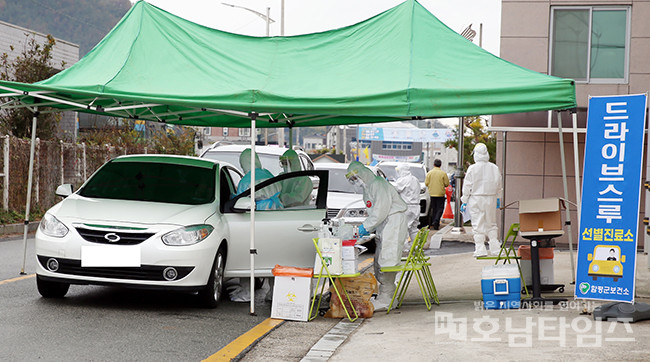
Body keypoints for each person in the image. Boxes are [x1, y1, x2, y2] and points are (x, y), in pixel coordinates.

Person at [346, 161, 408, 311]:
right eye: (352, 179)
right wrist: (367, 227)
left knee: (387, 260)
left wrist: (364, 228)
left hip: (392, 223)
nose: (355, 181)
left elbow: (380, 211)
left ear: (363, 173)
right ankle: (387, 296)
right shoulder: (369, 187)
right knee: (380, 260)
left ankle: (387, 299)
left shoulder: (377, 184)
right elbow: (375, 212)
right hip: (386, 224)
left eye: (356, 177)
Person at [461, 143, 503, 257]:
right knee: (491, 223)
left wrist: (464, 200)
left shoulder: (472, 168)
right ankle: (495, 248)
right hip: (491, 198)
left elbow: (467, 186)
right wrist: (498, 198)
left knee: (478, 224)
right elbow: (499, 184)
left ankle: (480, 249)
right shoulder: (494, 167)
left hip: (476, 198)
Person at [393, 163, 420, 242]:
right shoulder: (415, 179)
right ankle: (416, 247)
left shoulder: (404, 180)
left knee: (403, 229)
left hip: (407, 207)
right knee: (413, 229)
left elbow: (396, 189)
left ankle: (404, 249)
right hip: (416, 207)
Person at [425, 159, 449, 230]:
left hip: (432, 193)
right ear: (440, 165)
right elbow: (447, 184)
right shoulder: (443, 173)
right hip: (440, 194)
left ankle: (433, 222)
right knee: (440, 208)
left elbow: (426, 183)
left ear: (434, 164)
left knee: (434, 208)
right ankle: (436, 221)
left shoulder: (429, 173)